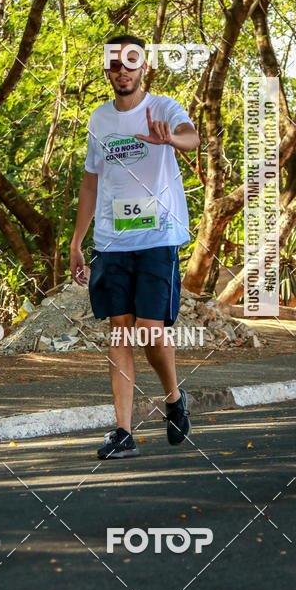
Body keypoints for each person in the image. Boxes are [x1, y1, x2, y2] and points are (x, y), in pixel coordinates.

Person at [69, 34, 200, 459]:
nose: (121, 70)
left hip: (158, 236)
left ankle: (173, 398)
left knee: (149, 330)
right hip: (111, 241)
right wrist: (76, 241)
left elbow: (191, 136)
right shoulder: (100, 119)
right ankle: (123, 432)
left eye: (130, 63)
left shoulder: (162, 108)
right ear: (107, 70)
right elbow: (91, 181)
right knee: (120, 329)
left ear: (144, 67)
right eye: (114, 64)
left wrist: (171, 141)